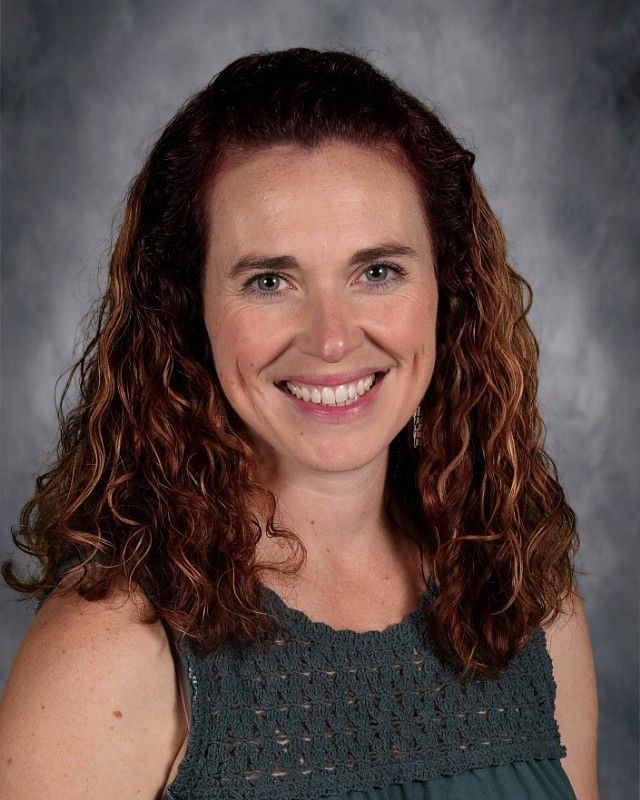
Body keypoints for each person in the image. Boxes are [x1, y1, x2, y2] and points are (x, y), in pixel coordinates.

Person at [0, 47, 598, 800]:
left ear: (450, 290)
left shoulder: (528, 603)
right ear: (190, 311)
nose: (332, 338)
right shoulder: (111, 652)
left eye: (377, 271)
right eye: (270, 281)